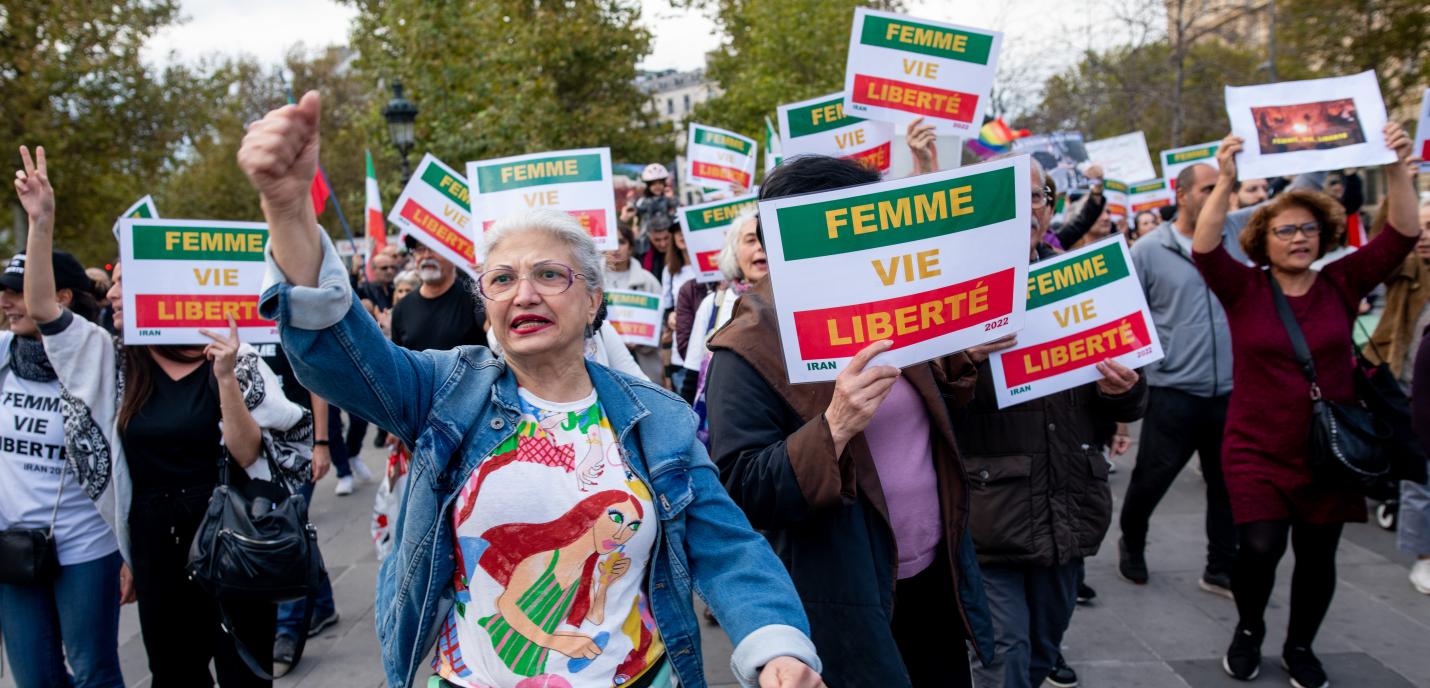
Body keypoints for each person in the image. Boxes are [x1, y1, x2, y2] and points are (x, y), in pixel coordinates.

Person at [241, 91, 825, 688]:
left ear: (594, 298)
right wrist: (289, 213)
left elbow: (728, 548)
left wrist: (775, 647)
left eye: (549, 274)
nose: (524, 293)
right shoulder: (445, 390)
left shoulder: (658, 419)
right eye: (502, 279)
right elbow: (342, 358)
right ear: (487, 306)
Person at [15, 145, 313, 687]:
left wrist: (225, 377)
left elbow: (250, 454)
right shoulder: (112, 360)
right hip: (156, 546)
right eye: (115, 285)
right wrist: (42, 221)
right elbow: (41, 309)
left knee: (246, 674)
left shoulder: (230, 356)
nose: (117, 294)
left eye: (130, 282)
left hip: (232, 535)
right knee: (174, 674)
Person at [703, 154, 995, 687]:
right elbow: (740, 489)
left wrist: (961, 357)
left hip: (933, 574)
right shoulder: (745, 347)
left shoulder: (896, 302)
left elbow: (929, 425)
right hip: (844, 592)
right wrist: (834, 426)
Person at [1193, 124, 1419, 687]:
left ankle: (1301, 647)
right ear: (1262, 238)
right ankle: (1248, 629)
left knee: (1318, 558)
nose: (1300, 238)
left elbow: (1401, 235)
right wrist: (1225, 182)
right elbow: (1204, 245)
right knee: (1260, 548)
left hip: (1330, 450)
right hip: (1256, 449)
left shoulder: (1342, 281)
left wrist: (1395, 165)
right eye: (1286, 229)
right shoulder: (1242, 287)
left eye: (1310, 229)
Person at [958, 159, 1148, 688]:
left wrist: (1125, 388)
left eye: (1036, 197)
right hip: (991, 516)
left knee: (1041, 654)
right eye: (1007, 200)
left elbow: (1127, 401)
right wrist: (963, 361)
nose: (1026, 212)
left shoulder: (1084, 285)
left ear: (1049, 206)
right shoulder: (952, 295)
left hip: (1068, 510)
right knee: (1004, 661)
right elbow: (923, 405)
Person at [0, 246, 125, 688]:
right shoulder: (2, 358)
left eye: (16, 291)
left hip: (85, 547)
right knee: (35, 678)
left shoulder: (97, 358)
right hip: (13, 549)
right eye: (4, 291)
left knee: (94, 673)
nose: (6, 301)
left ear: (63, 298)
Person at [1118, 161, 1242, 596]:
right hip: (1173, 392)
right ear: (1183, 194)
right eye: (1210, 187)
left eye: (1225, 186)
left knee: (1226, 483)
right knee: (1151, 478)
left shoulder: (1237, 237)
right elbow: (1126, 314)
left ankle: (1220, 566)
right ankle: (1132, 542)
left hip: (1228, 390)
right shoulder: (1150, 250)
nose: (1220, 194)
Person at [1361, 198, 1430, 595]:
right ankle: (1423, 556)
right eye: (1420, 227)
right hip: (1411, 387)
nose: (1424, 236)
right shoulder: (1407, 268)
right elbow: (1384, 241)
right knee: (1420, 475)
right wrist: (1397, 174)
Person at [390, 236, 488, 353]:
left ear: (454, 257)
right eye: (420, 249)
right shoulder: (402, 308)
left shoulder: (475, 298)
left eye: (435, 248)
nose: (426, 256)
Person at [605, 224, 663, 381]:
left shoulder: (648, 281)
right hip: (604, 363)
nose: (615, 249)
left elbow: (661, 326)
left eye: (621, 242)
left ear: (630, 246)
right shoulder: (592, 281)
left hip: (643, 363)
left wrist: (641, 341)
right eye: (610, 243)